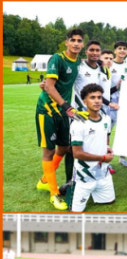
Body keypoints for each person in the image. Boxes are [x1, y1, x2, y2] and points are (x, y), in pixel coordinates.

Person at [35, 28, 84, 211]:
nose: (76, 43)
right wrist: (66, 106)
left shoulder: (79, 61)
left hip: (63, 113)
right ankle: (53, 193)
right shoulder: (57, 59)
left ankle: (45, 180)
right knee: (48, 151)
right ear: (67, 42)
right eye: (73, 40)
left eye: (79, 40)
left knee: (64, 147)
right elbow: (49, 86)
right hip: (47, 110)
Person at [67, 84, 114, 212]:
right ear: (84, 101)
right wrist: (103, 157)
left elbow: (106, 137)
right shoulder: (78, 123)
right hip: (84, 175)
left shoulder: (106, 119)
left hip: (103, 173)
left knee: (110, 201)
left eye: (99, 97)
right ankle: (67, 187)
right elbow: (77, 154)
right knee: (76, 211)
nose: (97, 101)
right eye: (92, 97)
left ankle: (96, 189)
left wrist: (107, 147)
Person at [111, 41, 127, 168]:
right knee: (108, 130)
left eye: (124, 49)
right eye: (119, 48)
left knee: (124, 128)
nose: (122, 51)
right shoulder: (110, 63)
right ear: (115, 51)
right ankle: (105, 159)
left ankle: (122, 157)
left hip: (124, 99)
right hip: (110, 100)